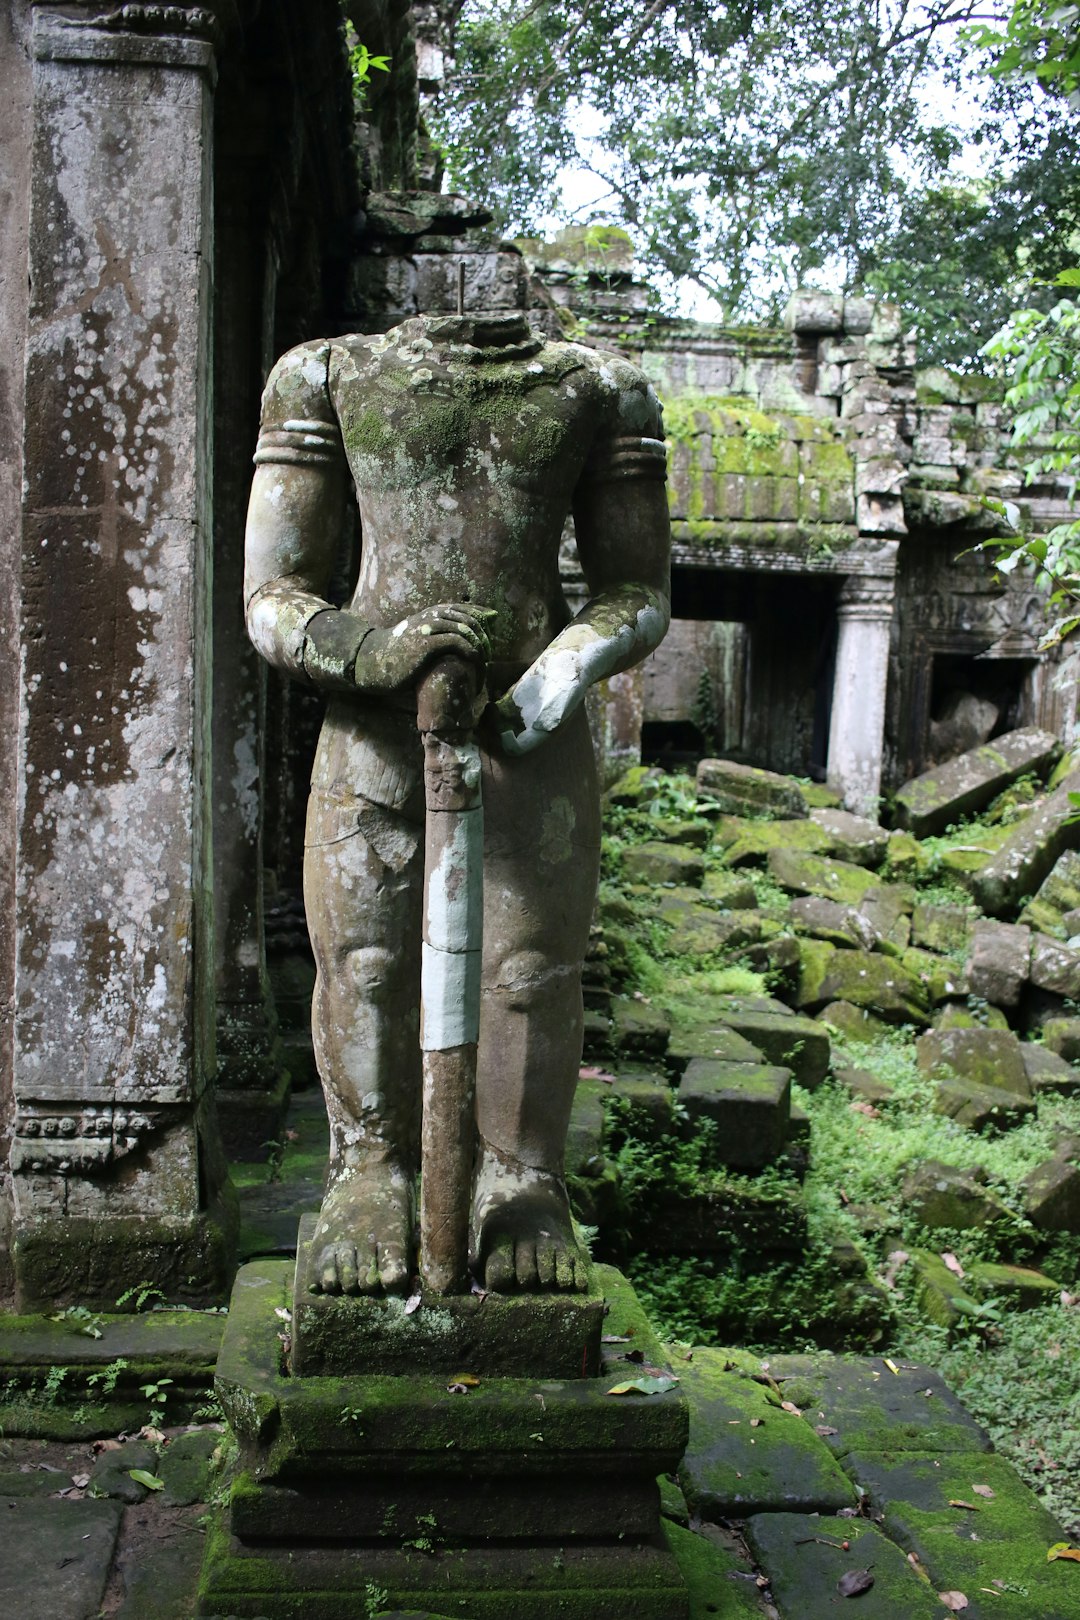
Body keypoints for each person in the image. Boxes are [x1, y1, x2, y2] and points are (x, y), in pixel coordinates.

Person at [244, 310, 670, 1295]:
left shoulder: (602, 391)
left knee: (529, 972)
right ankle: (369, 1170)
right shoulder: (325, 374)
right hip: (375, 726)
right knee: (367, 960)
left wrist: (559, 673)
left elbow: (638, 590)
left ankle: (521, 1183)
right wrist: (373, 653)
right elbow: (273, 591)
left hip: (530, 725)